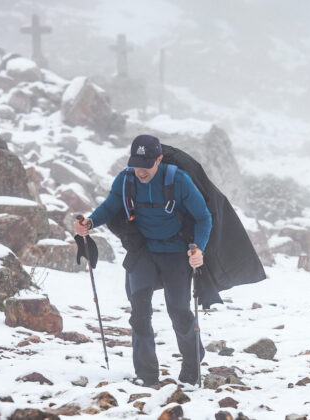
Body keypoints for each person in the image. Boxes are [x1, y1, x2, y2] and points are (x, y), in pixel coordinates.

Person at [74, 134, 212, 387]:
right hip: (143, 250)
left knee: (179, 312)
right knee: (139, 313)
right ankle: (146, 375)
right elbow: (110, 207)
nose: (141, 171)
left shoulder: (179, 181)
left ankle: (192, 364)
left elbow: (204, 217)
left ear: (159, 159)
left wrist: (199, 249)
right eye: (136, 164)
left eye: (146, 164)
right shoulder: (126, 179)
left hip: (175, 250)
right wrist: (90, 223)